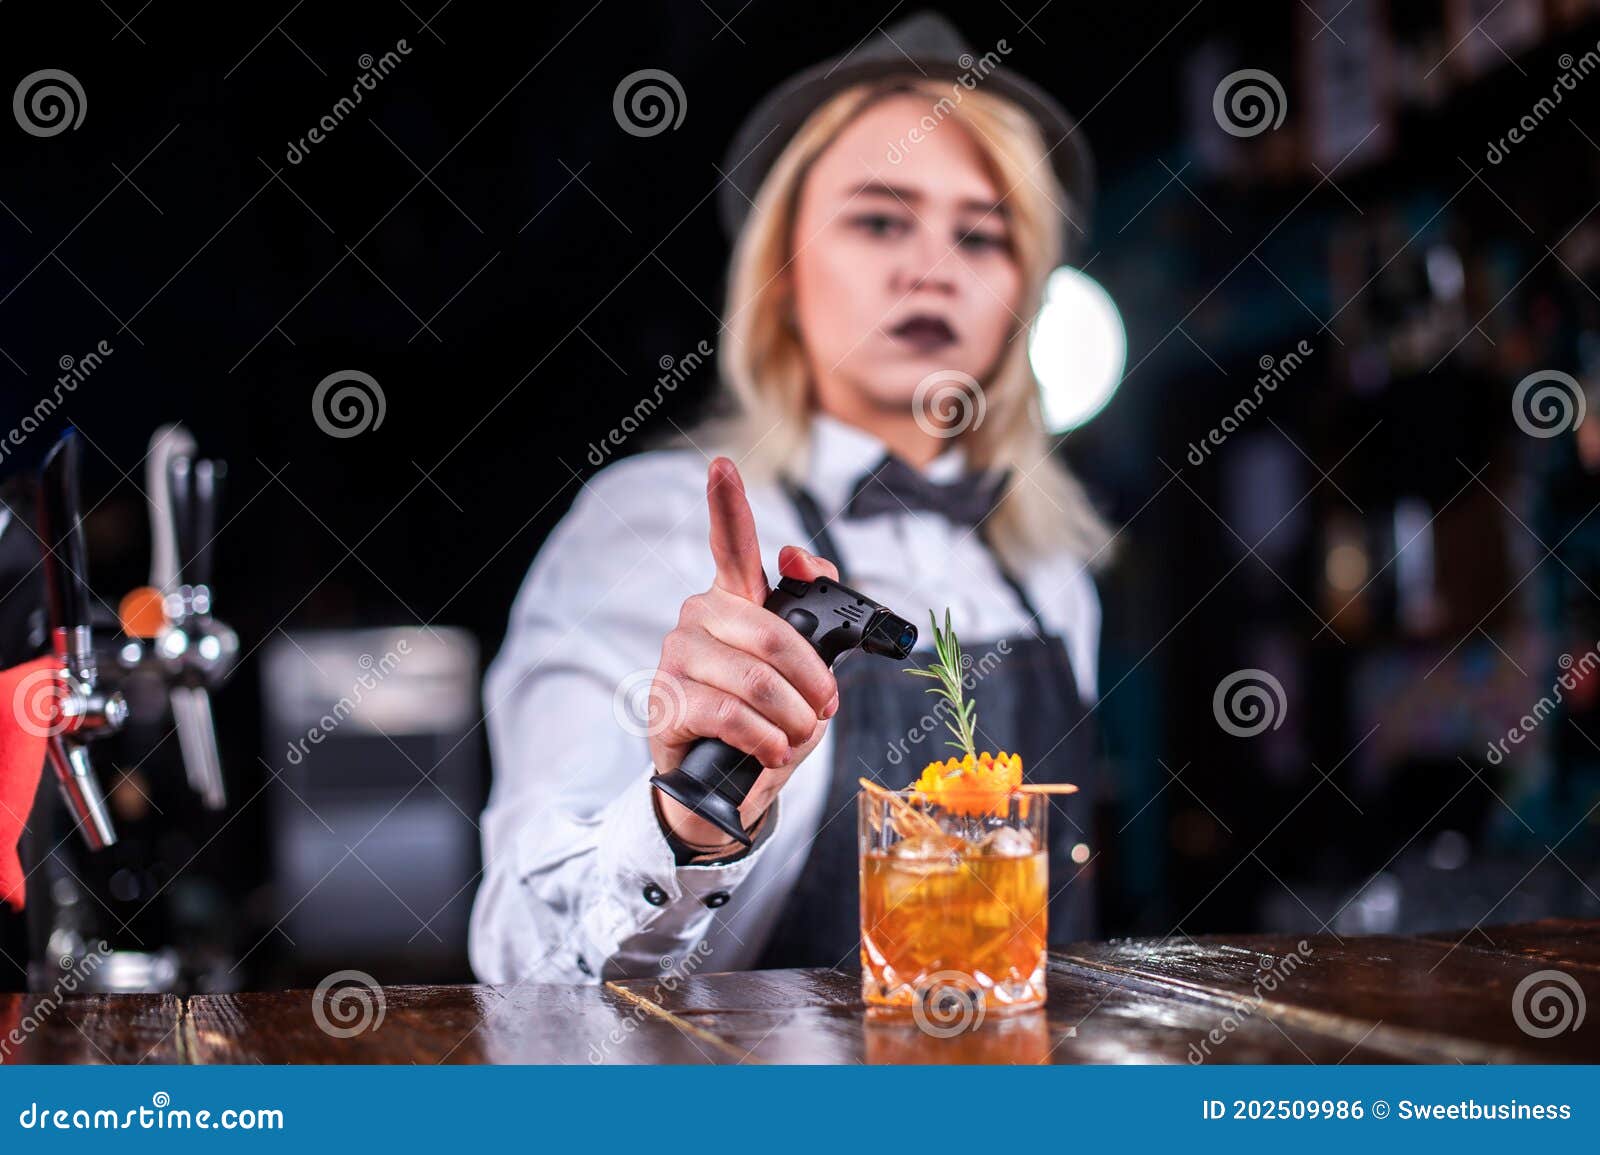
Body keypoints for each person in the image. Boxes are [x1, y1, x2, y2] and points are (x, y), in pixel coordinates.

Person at [470, 12, 1111, 984]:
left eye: (982, 236)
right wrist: (687, 816)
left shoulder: (1047, 570)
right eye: (879, 219)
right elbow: (523, 958)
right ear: (778, 277)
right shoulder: (650, 526)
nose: (931, 266)